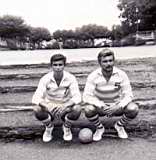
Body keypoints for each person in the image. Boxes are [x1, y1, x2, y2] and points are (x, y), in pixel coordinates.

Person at [83, 48, 139, 141]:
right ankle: (99, 128)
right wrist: (101, 105)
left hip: (117, 106)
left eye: (110, 60)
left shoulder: (121, 74)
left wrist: (118, 106)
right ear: (99, 62)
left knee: (133, 108)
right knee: (88, 109)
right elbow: (86, 96)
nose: (108, 64)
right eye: (105, 61)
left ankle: (119, 126)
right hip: (101, 107)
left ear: (114, 61)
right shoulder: (93, 76)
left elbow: (129, 95)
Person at [32, 53, 81, 142]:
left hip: (65, 105)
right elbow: (36, 97)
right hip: (50, 106)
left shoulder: (71, 78)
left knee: (77, 109)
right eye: (55, 65)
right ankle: (49, 127)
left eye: (60, 65)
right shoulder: (45, 78)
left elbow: (77, 97)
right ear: (51, 66)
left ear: (64, 65)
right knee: (37, 109)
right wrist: (47, 106)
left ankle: (66, 127)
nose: (58, 67)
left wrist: (65, 105)